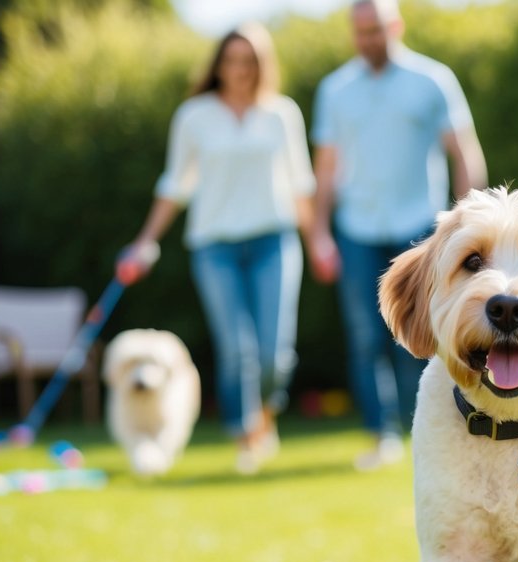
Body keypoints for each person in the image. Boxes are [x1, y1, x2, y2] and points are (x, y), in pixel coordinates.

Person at [118, 23, 315, 474]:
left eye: (249, 61)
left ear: (262, 65)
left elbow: (301, 183)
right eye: (231, 60)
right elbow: (174, 185)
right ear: (218, 65)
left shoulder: (281, 113)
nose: (239, 70)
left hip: (275, 240)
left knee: (274, 353)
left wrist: (318, 239)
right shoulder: (194, 115)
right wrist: (142, 243)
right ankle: (246, 435)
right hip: (214, 246)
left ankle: (265, 417)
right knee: (237, 349)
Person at [309, 0, 487, 471]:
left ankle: (426, 427)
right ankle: (381, 434)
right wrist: (318, 232)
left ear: (396, 25)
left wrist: (468, 222)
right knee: (364, 336)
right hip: (356, 230)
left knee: (421, 333)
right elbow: (325, 168)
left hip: (420, 231)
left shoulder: (432, 80)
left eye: (376, 30)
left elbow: (463, 152)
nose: (369, 40)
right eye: (360, 32)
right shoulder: (335, 90)